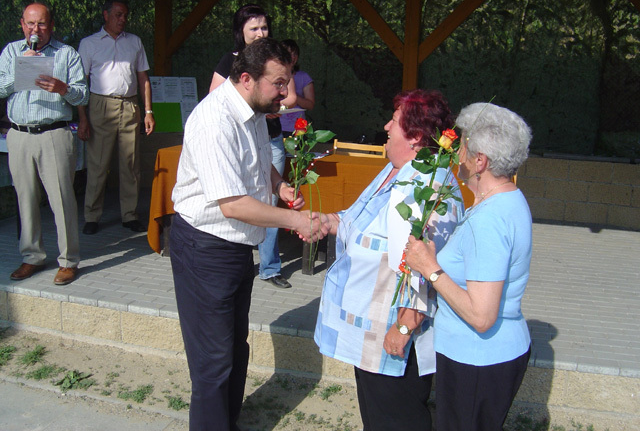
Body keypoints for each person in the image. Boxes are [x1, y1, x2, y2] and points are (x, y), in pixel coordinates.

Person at [170, 38, 329, 431]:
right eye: (278, 84)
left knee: (234, 349)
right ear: (246, 78)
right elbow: (233, 205)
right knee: (213, 360)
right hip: (205, 247)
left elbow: (258, 161)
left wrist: (279, 186)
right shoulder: (215, 121)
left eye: (287, 82)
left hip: (238, 246)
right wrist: (296, 221)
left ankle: (228, 421)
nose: (286, 94)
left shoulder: (255, 110)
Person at [314, 90, 464, 431]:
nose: (385, 127)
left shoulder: (426, 185)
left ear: (415, 137)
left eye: (394, 121)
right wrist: (327, 221)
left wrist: (404, 326)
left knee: (396, 419)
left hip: (394, 336)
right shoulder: (397, 170)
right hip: (374, 330)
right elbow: (362, 221)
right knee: (377, 415)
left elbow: (422, 265)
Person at [405, 103, 533, 431]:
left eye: (462, 146)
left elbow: (481, 316)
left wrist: (430, 268)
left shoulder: (488, 220)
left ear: (480, 161)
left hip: (477, 358)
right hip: (491, 355)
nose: (457, 154)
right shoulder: (508, 199)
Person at [0, 2, 89, 285]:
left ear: (51, 25)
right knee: (25, 198)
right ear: (22, 24)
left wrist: (63, 89)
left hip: (54, 133)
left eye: (41, 23)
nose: (35, 29)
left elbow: (83, 95)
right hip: (19, 134)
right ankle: (32, 256)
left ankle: (68, 261)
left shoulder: (66, 54)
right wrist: (20, 70)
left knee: (61, 199)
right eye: (30, 23)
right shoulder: (11, 52)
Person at [209, 4, 291, 288]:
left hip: (270, 137)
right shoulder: (229, 64)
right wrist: (297, 221)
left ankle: (269, 267)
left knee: (268, 198)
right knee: (244, 200)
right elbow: (215, 97)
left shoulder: (275, 61)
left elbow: (289, 96)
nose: (260, 33)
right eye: (253, 28)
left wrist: (279, 184)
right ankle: (244, 256)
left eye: (264, 27)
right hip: (213, 245)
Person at [77, 0, 155, 235]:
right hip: (100, 104)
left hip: (130, 105)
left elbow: (143, 79)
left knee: (130, 164)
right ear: (106, 15)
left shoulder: (134, 42)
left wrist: (148, 111)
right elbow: (80, 83)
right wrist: (82, 117)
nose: (123, 20)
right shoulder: (89, 43)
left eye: (125, 15)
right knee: (98, 164)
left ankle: (129, 215)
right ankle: (92, 216)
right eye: (118, 15)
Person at [279, 39, 315, 136]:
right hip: (277, 127)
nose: (293, 57)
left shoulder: (304, 77)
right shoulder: (273, 76)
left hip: (298, 128)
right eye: (289, 53)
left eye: (295, 54)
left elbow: (310, 105)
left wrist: (293, 96)